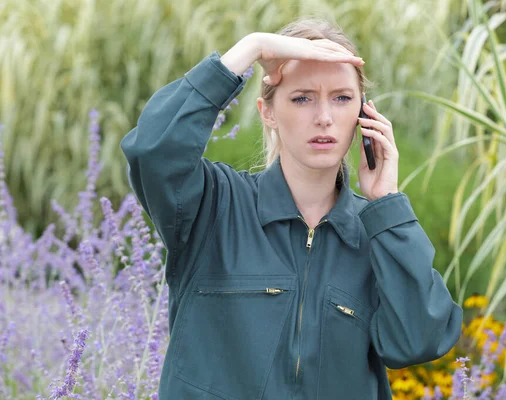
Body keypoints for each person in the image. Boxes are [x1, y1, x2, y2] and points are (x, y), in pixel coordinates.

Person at [121, 16, 462, 400]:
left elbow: (420, 341)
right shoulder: (214, 206)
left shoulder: (378, 235)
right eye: (302, 97)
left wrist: (386, 203)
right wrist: (251, 48)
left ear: (364, 118)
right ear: (268, 112)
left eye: (342, 98)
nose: (324, 117)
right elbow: (153, 149)